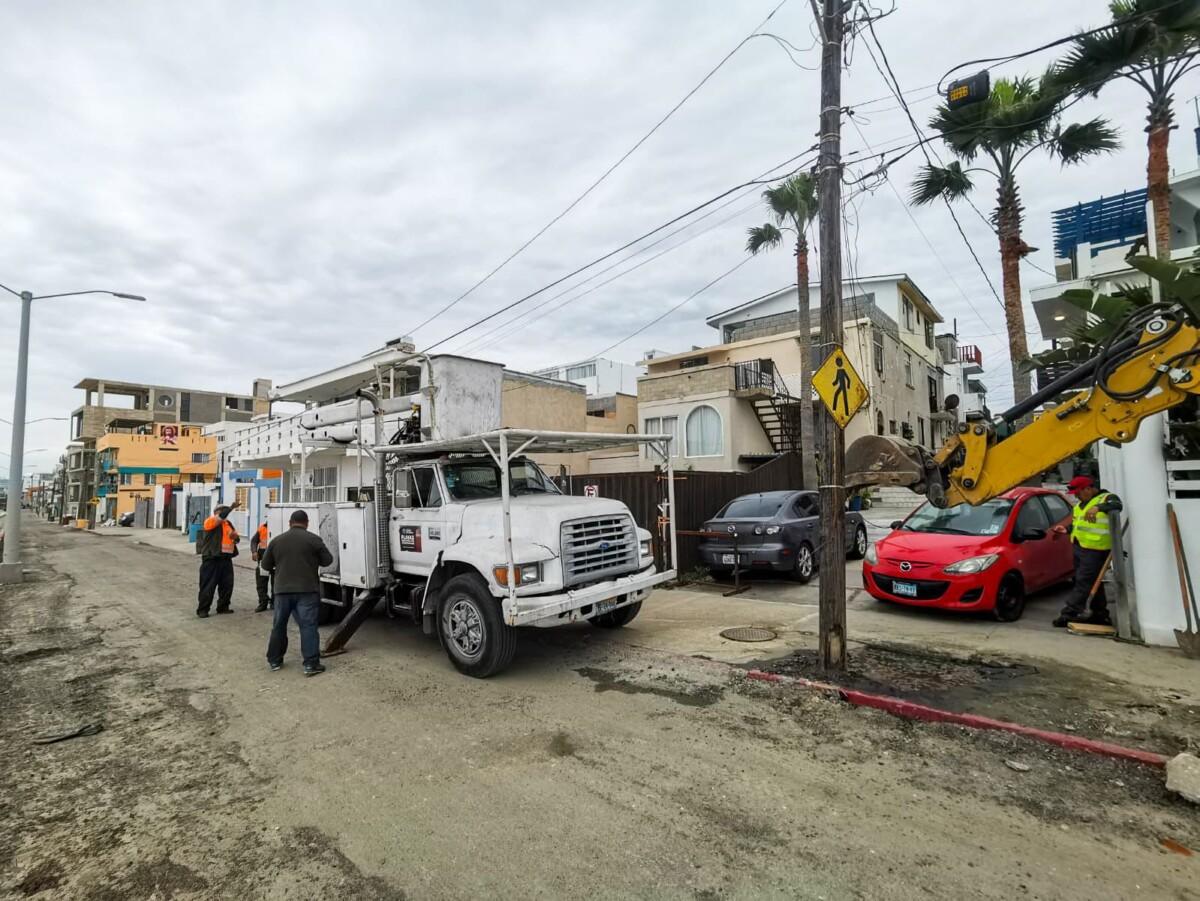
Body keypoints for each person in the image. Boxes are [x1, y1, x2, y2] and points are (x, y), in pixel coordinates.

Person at [261, 510, 333, 676]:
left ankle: (274, 661)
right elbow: (328, 560)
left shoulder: (277, 541)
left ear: (290, 523)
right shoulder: (314, 539)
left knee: (279, 626)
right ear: (306, 523)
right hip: (307, 591)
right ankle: (311, 665)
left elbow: (265, 566)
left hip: (282, 591)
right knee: (308, 626)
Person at [1053, 475, 1120, 628]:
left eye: (1078, 492)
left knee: (1083, 582)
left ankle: (1069, 613)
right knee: (1091, 583)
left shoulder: (1106, 498)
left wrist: (1099, 508)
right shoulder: (1080, 505)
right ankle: (1100, 615)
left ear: (1089, 489)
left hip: (1096, 550)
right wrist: (1066, 529)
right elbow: (1078, 524)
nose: (1076, 496)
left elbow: (1117, 505)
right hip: (1080, 548)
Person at [197, 500, 241, 618]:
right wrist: (231, 507)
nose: (225, 513)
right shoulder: (210, 521)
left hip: (226, 559)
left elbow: (236, 539)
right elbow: (220, 517)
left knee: (227, 585)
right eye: (223, 511)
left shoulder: (228, 524)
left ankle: (223, 607)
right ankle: (203, 609)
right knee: (208, 585)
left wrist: (236, 538)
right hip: (212, 558)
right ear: (217, 512)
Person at [250, 520, 273, 612]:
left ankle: (274, 603)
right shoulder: (262, 528)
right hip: (263, 559)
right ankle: (263, 602)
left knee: (276, 583)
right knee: (261, 582)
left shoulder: (280, 527)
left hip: (276, 559)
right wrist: (254, 551)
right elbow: (254, 541)